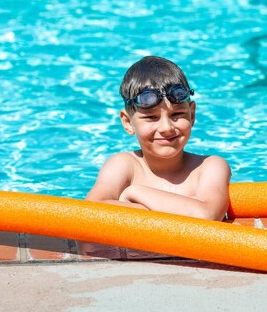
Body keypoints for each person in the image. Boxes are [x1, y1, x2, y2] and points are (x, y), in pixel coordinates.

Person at [86, 56, 230, 221]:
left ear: (192, 115)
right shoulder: (124, 165)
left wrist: (134, 193)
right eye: (151, 117)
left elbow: (206, 214)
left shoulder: (209, 166)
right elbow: (93, 208)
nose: (166, 128)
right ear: (128, 122)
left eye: (177, 114)